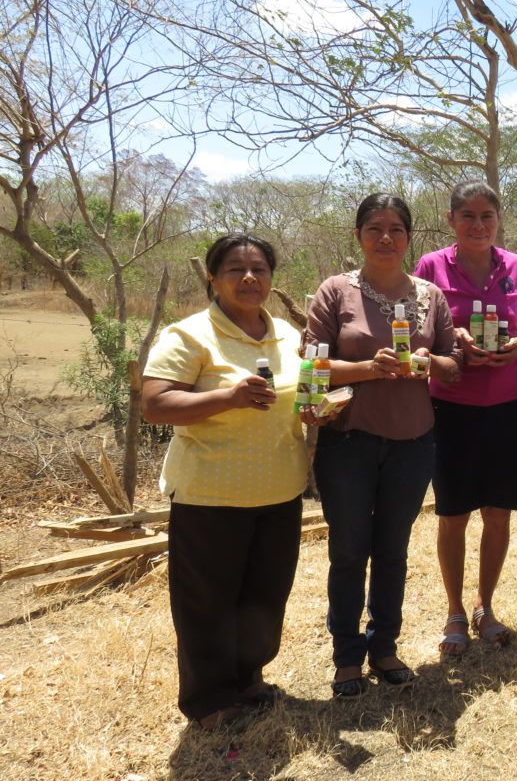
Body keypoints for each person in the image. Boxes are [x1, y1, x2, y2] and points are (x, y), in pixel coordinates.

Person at [143, 234, 311, 729]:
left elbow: (298, 394)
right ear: (213, 278)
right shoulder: (190, 335)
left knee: (264, 595)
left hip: (280, 488)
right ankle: (210, 699)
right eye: (235, 270)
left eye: (259, 268)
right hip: (210, 494)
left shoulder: (285, 334)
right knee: (207, 602)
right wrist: (228, 397)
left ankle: (249, 678)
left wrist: (317, 409)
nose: (249, 278)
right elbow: (155, 405)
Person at [306, 194, 461, 697]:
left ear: (409, 238)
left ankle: (385, 646)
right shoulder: (335, 292)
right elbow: (312, 367)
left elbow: (453, 364)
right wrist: (371, 368)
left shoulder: (430, 296)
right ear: (359, 236)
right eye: (375, 228)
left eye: (396, 229)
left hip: (413, 442)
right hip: (348, 441)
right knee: (349, 551)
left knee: (393, 551)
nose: (386, 238)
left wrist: (430, 361)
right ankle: (347, 656)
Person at [413, 180, 517, 656]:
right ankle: (455, 612)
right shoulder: (431, 267)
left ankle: (486, 606)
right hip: (450, 407)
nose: (478, 224)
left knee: (498, 513)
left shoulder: (516, 267)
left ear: (498, 220)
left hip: (510, 404)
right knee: (453, 513)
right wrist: (457, 342)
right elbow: (416, 330)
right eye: (468, 215)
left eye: (487, 215)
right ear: (451, 220)